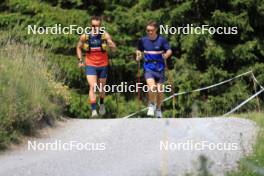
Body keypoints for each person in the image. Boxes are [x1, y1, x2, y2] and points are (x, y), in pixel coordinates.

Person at [76, 16, 116, 117]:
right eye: (94, 26)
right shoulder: (85, 36)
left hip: (103, 65)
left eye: (98, 26)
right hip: (90, 64)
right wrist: (80, 60)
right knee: (93, 86)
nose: (95, 28)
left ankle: (101, 103)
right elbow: (78, 48)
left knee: (102, 87)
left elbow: (114, 50)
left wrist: (111, 44)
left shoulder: (104, 35)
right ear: (91, 25)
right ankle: (93, 110)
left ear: (100, 26)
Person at [136, 21, 172, 118]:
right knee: (152, 87)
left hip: (160, 68)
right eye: (148, 30)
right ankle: (151, 104)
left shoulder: (162, 40)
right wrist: (138, 54)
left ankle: (159, 109)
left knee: (160, 91)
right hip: (148, 68)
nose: (149, 32)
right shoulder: (143, 40)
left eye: (151, 30)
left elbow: (169, 50)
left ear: (156, 29)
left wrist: (166, 55)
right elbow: (139, 49)